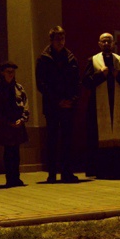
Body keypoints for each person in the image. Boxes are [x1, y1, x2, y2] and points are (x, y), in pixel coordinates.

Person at [83, 33, 120, 179]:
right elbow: (85, 83)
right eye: (103, 41)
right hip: (98, 106)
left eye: (109, 41)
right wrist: (100, 75)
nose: (106, 44)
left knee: (119, 136)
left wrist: (119, 76)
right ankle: (101, 170)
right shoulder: (92, 61)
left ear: (113, 43)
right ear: (99, 44)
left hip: (118, 105)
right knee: (98, 136)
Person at [35, 26, 80, 184]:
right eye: (57, 39)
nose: (60, 42)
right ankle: (52, 173)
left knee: (67, 140)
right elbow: (41, 84)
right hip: (52, 106)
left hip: (68, 106)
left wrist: (72, 99)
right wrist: (57, 100)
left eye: (62, 38)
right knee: (52, 139)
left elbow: (76, 82)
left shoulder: (71, 58)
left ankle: (67, 172)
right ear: (51, 40)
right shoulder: (44, 59)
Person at [0, 61, 29, 187]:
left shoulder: (19, 88)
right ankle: (10, 177)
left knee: (16, 153)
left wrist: (23, 119)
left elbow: (25, 104)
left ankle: (16, 177)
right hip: (7, 126)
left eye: (12, 72)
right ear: (3, 73)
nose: (11, 74)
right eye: (8, 72)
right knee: (8, 153)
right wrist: (8, 122)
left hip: (18, 125)